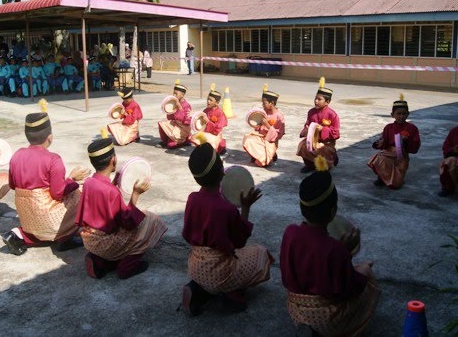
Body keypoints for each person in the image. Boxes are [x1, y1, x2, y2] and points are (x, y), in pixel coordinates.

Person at [280, 156, 380, 336]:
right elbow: (347, 289)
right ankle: (341, 327)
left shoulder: (290, 232)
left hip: (295, 306)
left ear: (302, 208)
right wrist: (347, 254)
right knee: (367, 274)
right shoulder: (334, 249)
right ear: (333, 211)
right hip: (326, 316)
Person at [181, 140, 273, 315]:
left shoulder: (192, 198)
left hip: (195, 267)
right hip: (219, 271)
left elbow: (187, 233)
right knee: (260, 253)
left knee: (211, 275)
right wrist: (245, 208)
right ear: (222, 172)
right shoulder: (226, 209)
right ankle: (233, 295)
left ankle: (197, 290)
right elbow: (240, 242)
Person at [76, 138, 167, 279]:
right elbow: (128, 222)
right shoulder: (111, 192)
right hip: (107, 243)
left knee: (139, 219)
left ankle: (100, 261)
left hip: (90, 240)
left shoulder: (88, 182)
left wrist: (114, 182)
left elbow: (100, 199)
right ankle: (127, 266)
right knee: (150, 220)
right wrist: (136, 194)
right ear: (113, 160)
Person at [2, 110, 90, 255]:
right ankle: (65, 237)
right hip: (49, 219)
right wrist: (72, 179)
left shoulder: (16, 156)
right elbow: (58, 193)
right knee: (81, 192)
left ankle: (20, 235)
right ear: (50, 137)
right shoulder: (53, 159)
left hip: (27, 219)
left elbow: (12, 186)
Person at [367, 94, 421, 189]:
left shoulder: (412, 128)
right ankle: (382, 178)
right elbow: (384, 142)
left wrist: (406, 141)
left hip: (402, 157)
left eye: (404, 114)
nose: (401, 116)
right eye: (398, 114)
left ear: (408, 114)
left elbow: (415, 146)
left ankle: (396, 179)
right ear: (392, 115)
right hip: (388, 153)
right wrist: (379, 143)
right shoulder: (388, 127)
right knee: (380, 158)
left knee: (395, 185)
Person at [296, 77, 340, 173]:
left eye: (319, 99)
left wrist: (323, 129)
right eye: (315, 98)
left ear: (327, 102)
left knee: (322, 148)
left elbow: (336, 133)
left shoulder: (332, 114)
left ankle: (331, 160)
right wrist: (306, 130)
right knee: (303, 145)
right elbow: (307, 125)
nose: (316, 101)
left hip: (327, 143)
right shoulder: (311, 112)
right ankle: (310, 165)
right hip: (312, 140)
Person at [243, 84, 285, 167]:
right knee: (248, 139)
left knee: (264, 163)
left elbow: (278, 135)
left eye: (264, 103)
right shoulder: (263, 113)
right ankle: (256, 155)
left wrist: (268, 125)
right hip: (260, 138)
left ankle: (271, 154)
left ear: (271, 103)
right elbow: (259, 127)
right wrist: (257, 125)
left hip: (271, 141)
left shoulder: (279, 116)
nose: (262, 105)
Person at [189, 84, 228, 154]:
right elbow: (200, 122)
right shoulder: (206, 110)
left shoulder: (220, 113)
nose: (208, 101)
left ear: (217, 103)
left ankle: (220, 144)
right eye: (208, 99)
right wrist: (193, 116)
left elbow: (217, 130)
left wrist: (207, 121)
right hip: (206, 134)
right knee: (193, 137)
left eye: (211, 100)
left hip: (215, 135)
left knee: (211, 150)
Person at [158, 80, 192, 149]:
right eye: (173, 93)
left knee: (171, 145)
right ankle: (165, 140)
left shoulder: (187, 105)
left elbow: (187, 121)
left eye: (176, 94)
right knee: (162, 123)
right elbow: (169, 118)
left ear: (182, 95)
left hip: (183, 128)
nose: (174, 95)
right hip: (176, 125)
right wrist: (169, 108)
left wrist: (179, 107)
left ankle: (185, 140)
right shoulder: (175, 102)